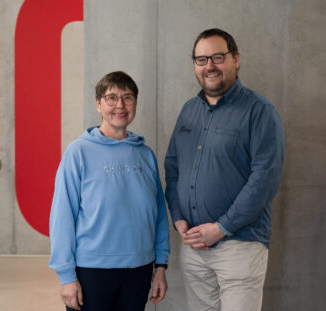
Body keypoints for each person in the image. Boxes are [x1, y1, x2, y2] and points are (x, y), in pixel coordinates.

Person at [164, 28, 285, 311]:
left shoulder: (259, 111)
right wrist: (179, 217)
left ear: (236, 59)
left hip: (240, 244)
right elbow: (172, 166)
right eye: (201, 59)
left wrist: (221, 228)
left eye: (218, 57)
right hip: (193, 246)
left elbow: (264, 179)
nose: (210, 66)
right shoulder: (188, 110)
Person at [49, 71, 170, 311]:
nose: (120, 105)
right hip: (91, 271)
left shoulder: (145, 155)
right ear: (98, 103)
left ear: (135, 103)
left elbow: (158, 214)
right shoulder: (78, 152)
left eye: (128, 97)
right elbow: (62, 216)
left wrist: (161, 266)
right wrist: (66, 276)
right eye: (111, 98)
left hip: (140, 269)